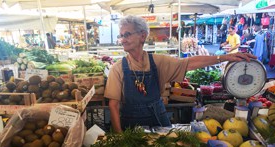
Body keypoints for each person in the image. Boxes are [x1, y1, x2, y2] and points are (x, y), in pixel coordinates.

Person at [104, 15, 256, 133]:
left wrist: (224, 57)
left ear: (142, 36)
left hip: (158, 119)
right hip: (131, 125)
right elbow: (114, 105)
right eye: (121, 36)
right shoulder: (118, 68)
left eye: (127, 34)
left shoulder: (157, 61)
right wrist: (119, 135)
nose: (122, 40)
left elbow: (189, 63)